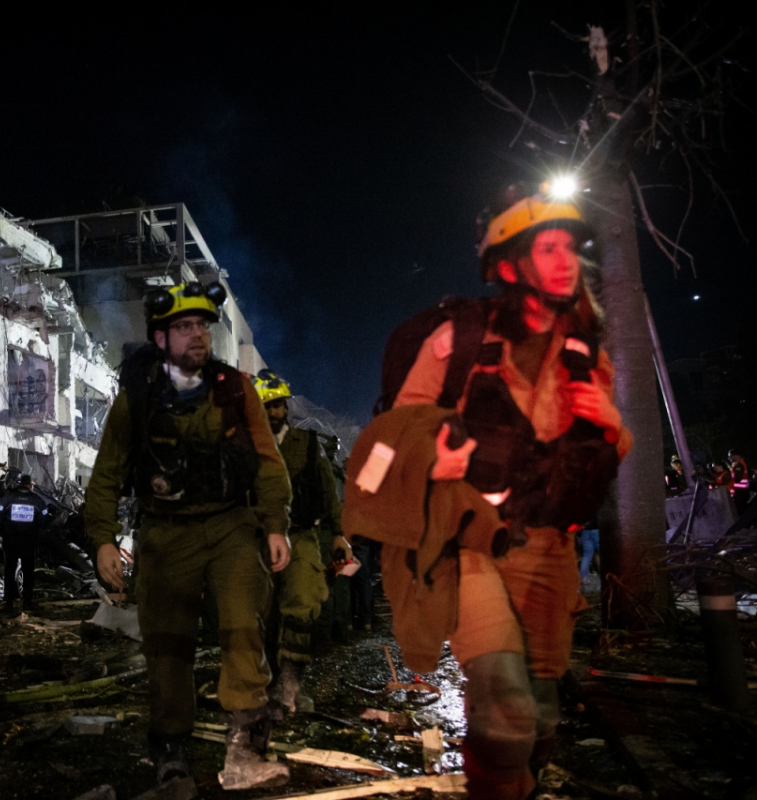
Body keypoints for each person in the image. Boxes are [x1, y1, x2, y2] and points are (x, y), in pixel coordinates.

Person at [345, 182, 632, 800]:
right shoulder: (459, 343)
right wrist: (428, 465)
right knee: (503, 701)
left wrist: (608, 430)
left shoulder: (584, 355)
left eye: (568, 248)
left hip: (549, 551)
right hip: (471, 547)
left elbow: (607, 459)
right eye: (545, 247)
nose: (565, 261)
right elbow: (389, 439)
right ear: (507, 264)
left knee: (543, 712)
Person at [85, 281, 293, 791]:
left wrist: (274, 525)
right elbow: (107, 473)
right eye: (184, 327)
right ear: (161, 339)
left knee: (244, 625)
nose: (197, 335)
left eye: (201, 325)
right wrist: (103, 540)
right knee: (167, 643)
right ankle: (171, 751)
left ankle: (245, 751)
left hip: (230, 525)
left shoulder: (236, 389)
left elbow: (268, 464)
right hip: (164, 531)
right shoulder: (137, 399)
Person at [252, 369, 353, 713]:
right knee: (261, 616)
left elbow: (328, 492)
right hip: (258, 542)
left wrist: (339, 535)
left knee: (302, 605)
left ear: (285, 407)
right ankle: (267, 682)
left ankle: (291, 686)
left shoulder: (308, 445)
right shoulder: (246, 448)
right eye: (265, 406)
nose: (272, 412)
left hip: (301, 537)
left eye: (277, 405)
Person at [0, 473, 48, 614]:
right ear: (30, 485)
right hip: (29, 543)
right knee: (28, 572)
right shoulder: (37, 501)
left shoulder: (7, 499)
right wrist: (41, 543)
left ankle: (9, 602)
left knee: (10, 570)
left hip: (10, 541)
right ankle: (27, 602)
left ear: (19, 484)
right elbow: (43, 524)